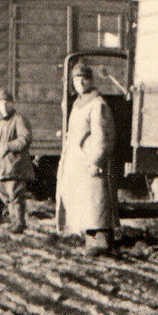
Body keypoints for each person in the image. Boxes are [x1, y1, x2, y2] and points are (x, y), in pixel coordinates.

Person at [57, 62, 119, 255]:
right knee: (84, 203)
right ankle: (89, 240)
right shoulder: (78, 104)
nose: (80, 82)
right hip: (78, 164)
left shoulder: (97, 104)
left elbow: (103, 136)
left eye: (84, 78)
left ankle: (99, 244)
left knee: (96, 206)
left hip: (90, 163)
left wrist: (96, 160)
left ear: (91, 80)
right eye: (76, 79)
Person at [0, 88, 33, 234]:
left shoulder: (19, 119)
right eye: (1, 103)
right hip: (2, 167)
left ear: (12, 104)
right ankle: (14, 221)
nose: (3, 106)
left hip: (15, 165)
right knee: (5, 194)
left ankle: (19, 223)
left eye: (7, 102)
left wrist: (9, 146)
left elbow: (24, 139)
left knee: (15, 195)